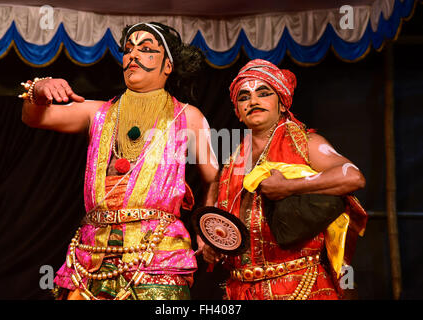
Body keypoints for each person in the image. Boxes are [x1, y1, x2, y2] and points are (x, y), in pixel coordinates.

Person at [21, 22, 219, 300]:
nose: (133, 55)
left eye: (147, 49)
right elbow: (35, 117)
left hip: (158, 254)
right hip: (92, 253)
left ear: (168, 66)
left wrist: (210, 233)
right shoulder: (98, 112)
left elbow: (215, 178)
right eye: (128, 50)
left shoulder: (188, 117)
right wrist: (38, 88)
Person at [201, 59, 367, 300]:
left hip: (301, 286)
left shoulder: (306, 144)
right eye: (244, 97)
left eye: (263, 93)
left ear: (281, 104)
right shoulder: (230, 164)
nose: (253, 101)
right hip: (240, 290)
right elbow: (221, 222)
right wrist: (213, 246)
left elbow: (354, 177)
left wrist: (288, 187)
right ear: (238, 112)